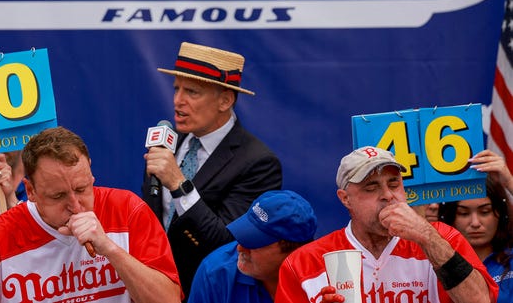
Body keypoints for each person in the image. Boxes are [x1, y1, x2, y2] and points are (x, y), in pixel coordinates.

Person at [0, 126, 181, 303]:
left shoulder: (127, 209)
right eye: (58, 196)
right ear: (30, 191)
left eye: (82, 189)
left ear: (91, 174)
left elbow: (169, 300)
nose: (75, 205)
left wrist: (111, 250)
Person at [142, 41, 283, 299]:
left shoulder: (259, 162)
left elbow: (229, 244)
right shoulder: (166, 143)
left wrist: (179, 184)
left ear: (225, 100)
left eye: (192, 92)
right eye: (176, 89)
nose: (177, 101)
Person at [275, 146, 498, 303]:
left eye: (394, 184)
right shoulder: (302, 263)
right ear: (345, 199)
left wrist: (427, 237)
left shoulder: (443, 238)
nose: (387, 195)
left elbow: (481, 300)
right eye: (371, 188)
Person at [187, 190, 317, 303]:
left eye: (254, 242)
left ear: (294, 252)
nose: (240, 248)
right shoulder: (215, 272)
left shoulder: (324, 280)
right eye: (244, 235)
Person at [439, 150, 513, 302]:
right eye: (463, 213)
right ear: (450, 218)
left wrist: (509, 182)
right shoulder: (435, 265)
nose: (475, 223)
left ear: (500, 213)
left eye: (485, 212)